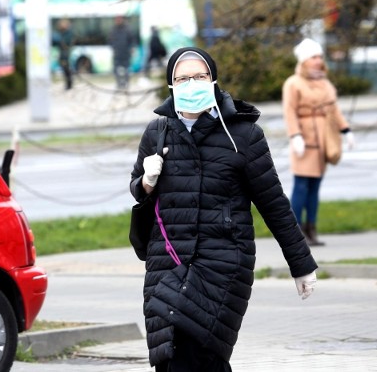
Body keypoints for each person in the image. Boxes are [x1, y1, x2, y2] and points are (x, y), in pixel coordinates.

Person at [130, 46, 318, 372]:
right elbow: (138, 190)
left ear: (213, 80)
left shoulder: (242, 135)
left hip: (222, 264)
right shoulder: (157, 132)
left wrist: (301, 264)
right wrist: (146, 180)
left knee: (201, 354)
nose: (192, 84)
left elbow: (274, 203)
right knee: (170, 355)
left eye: (199, 76)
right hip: (168, 263)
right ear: (171, 86)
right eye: (183, 78)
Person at [282, 38, 355, 246]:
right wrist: (295, 135)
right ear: (304, 60)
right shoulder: (293, 83)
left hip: (323, 141)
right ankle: (296, 233)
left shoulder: (325, 82)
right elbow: (289, 111)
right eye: (314, 57)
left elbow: (334, 109)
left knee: (315, 187)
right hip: (304, 142)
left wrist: (346, 130)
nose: (318, 60)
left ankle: (311, 228)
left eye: (320, 56)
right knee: (301, 186)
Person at [109, 16, 134, 90]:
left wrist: (131, 48)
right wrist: (113, 48)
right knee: (116, 70)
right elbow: (110, 41)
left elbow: (132, 40)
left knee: (127, 70)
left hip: (126, 53)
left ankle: (126, 83)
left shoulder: (127, 29)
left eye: (119, 19)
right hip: (117, 54)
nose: (118, 20)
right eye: (116, 19)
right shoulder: (113, 30)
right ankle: (119, 84)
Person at [55, 19, 74, 90]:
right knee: (65, 70)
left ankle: (69, 84)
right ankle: (68, 84)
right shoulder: (62, 33)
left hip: (66, 54)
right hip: (63, 53)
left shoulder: (68, 33)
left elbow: (66, 43)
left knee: (67, 69)